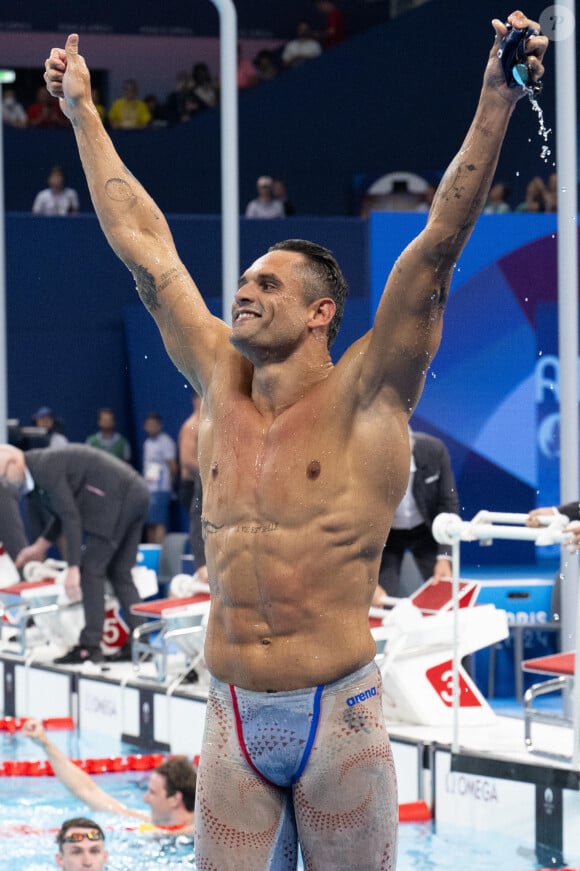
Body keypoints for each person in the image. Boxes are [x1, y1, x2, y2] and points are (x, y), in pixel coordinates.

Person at [43, 14, 547, 868]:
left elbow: (438, 246)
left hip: (338, 714)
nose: (243, 292)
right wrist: (86, 115)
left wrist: (497, 100)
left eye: (267, 284)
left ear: (322, 313)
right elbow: (146, 249)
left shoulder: (369, 392)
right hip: (231, 712)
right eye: (242, 281)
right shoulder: (214, 374)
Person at [0, 444, 149, 665]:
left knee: (90, 569)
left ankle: (89, 647)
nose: (6, 484)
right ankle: (142, 642)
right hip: (134, 493)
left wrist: (72, 568)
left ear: (14, 463)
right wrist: (38, 547)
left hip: (120, 498)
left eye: (3, 477)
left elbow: (71, 516)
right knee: (119, 572)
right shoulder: (38, 473)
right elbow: (62, 516)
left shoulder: (43, 467)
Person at [23, 719, 196, 834]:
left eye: (152, 792)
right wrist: (45, 743)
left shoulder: (201, 835)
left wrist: (168, 834)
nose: (145, 799)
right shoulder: (149, 822)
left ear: (175, 799)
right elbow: (87, 791)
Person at [377, 428, 459, 598]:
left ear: (412, 443)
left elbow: (448, 504)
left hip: (427, 532)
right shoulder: (371, 466)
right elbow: (363, 520)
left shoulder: (435, 451)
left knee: (444, 592)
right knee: (382, 599)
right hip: (387, 537)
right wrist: (370, 581)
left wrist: (445, 557)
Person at [177, 392, 207, 583]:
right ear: (196, 400)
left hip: (204, 482)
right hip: (192, 485)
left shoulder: (207, 423)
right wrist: (211, 471)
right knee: (199, 523)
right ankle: (201, 565)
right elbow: (187, 460)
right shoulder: (191, 425)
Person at [142, 412, 177, 544]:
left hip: (161, 489)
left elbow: (173, 466)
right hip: (148, 489)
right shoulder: (147, 443)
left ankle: (160, 555)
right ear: (145, 426)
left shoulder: (165, 442)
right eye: (149, 425)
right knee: (150, 523)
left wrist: (170, 486)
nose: (151, 427)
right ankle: (152, 556)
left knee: (159, 523)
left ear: (159, 426)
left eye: (154, 425)